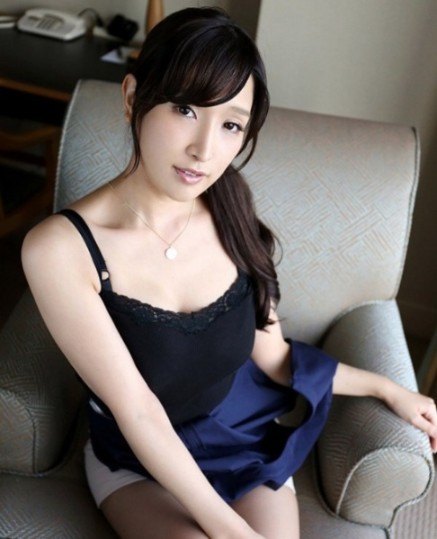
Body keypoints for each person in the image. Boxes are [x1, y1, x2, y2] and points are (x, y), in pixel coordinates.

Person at [22, 7, 437, 539]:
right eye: (184, 109)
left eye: (231, 124)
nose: (204, 150)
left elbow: (274, 357)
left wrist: (386, 388)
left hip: (243, 439)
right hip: (139, 460)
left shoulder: (230, 207)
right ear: (132, 98)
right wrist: (232, 532)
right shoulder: (60, 250)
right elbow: (139, 411)